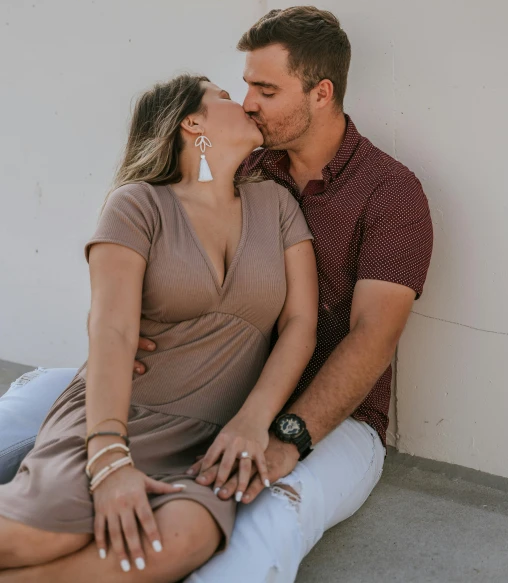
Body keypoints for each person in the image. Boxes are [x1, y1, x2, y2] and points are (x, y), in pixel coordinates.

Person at [0, 6, 433, 582]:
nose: (249, 102)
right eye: (241, 88)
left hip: (312, 416)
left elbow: (371, 336)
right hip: (163, 383)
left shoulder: (387, 191)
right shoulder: (243, 166)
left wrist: (280, 433)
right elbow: (120, 307)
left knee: (259, 528)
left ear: (321, 92)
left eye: (264, 88)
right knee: (27, 423)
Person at [0, 74, 318, 581]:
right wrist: (109, 458)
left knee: (180, 540)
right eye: (223, 96)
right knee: (39, 534)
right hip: (120, 416)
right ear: (192, 122)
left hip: (207, 443)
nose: (243, 103)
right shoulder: (138, 204)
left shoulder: (276, 205)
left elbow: (302, 323)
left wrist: (253, 420)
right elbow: (111, 331)